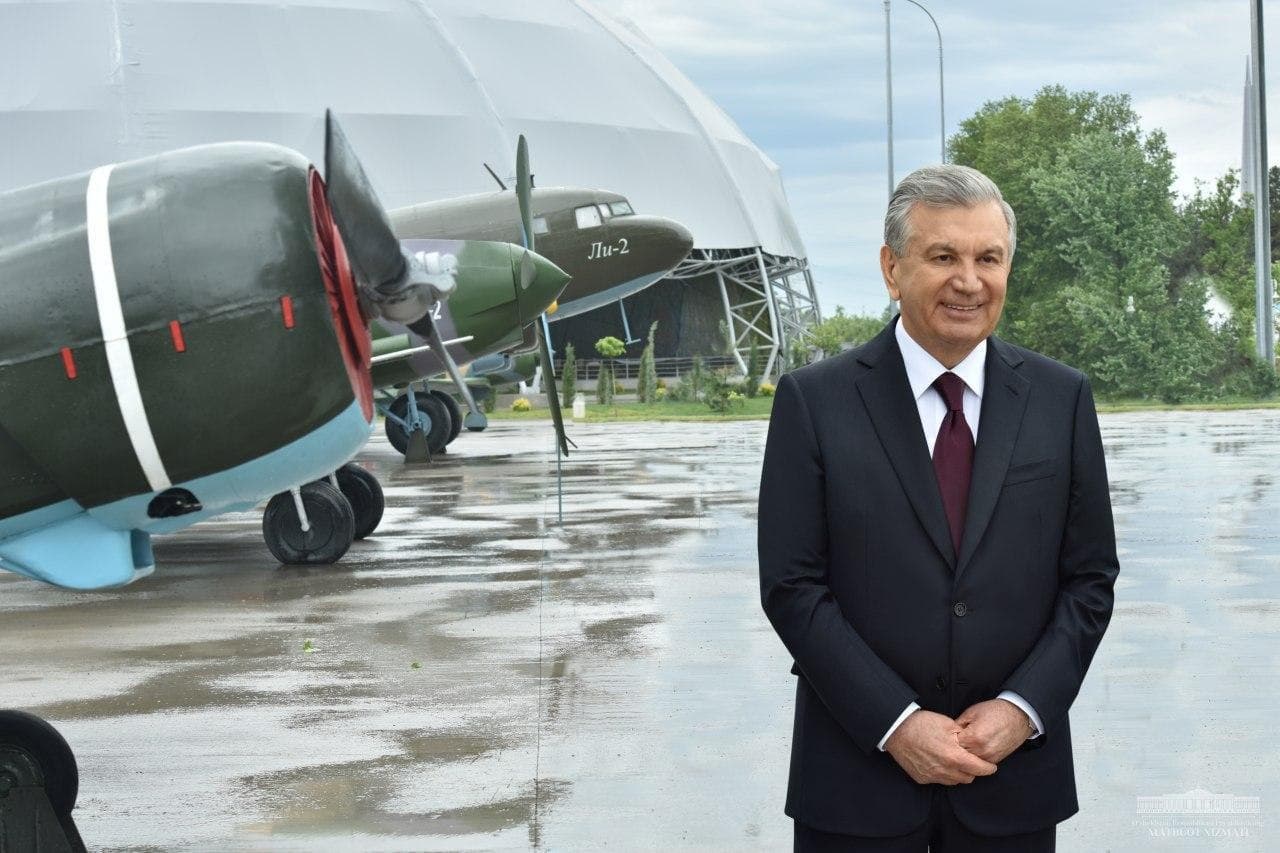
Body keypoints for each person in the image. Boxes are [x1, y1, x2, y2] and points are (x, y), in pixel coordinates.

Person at [757, 164, 1118, 852]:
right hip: (857, 784)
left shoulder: (1061, 399)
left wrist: (1023, 709)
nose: (969, 281)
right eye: (944, 256)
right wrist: (896, 723)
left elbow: (1090, 578)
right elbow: (793, 586)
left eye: (989, 258)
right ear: (892, 269)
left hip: (1011, 780)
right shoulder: (814, 402)